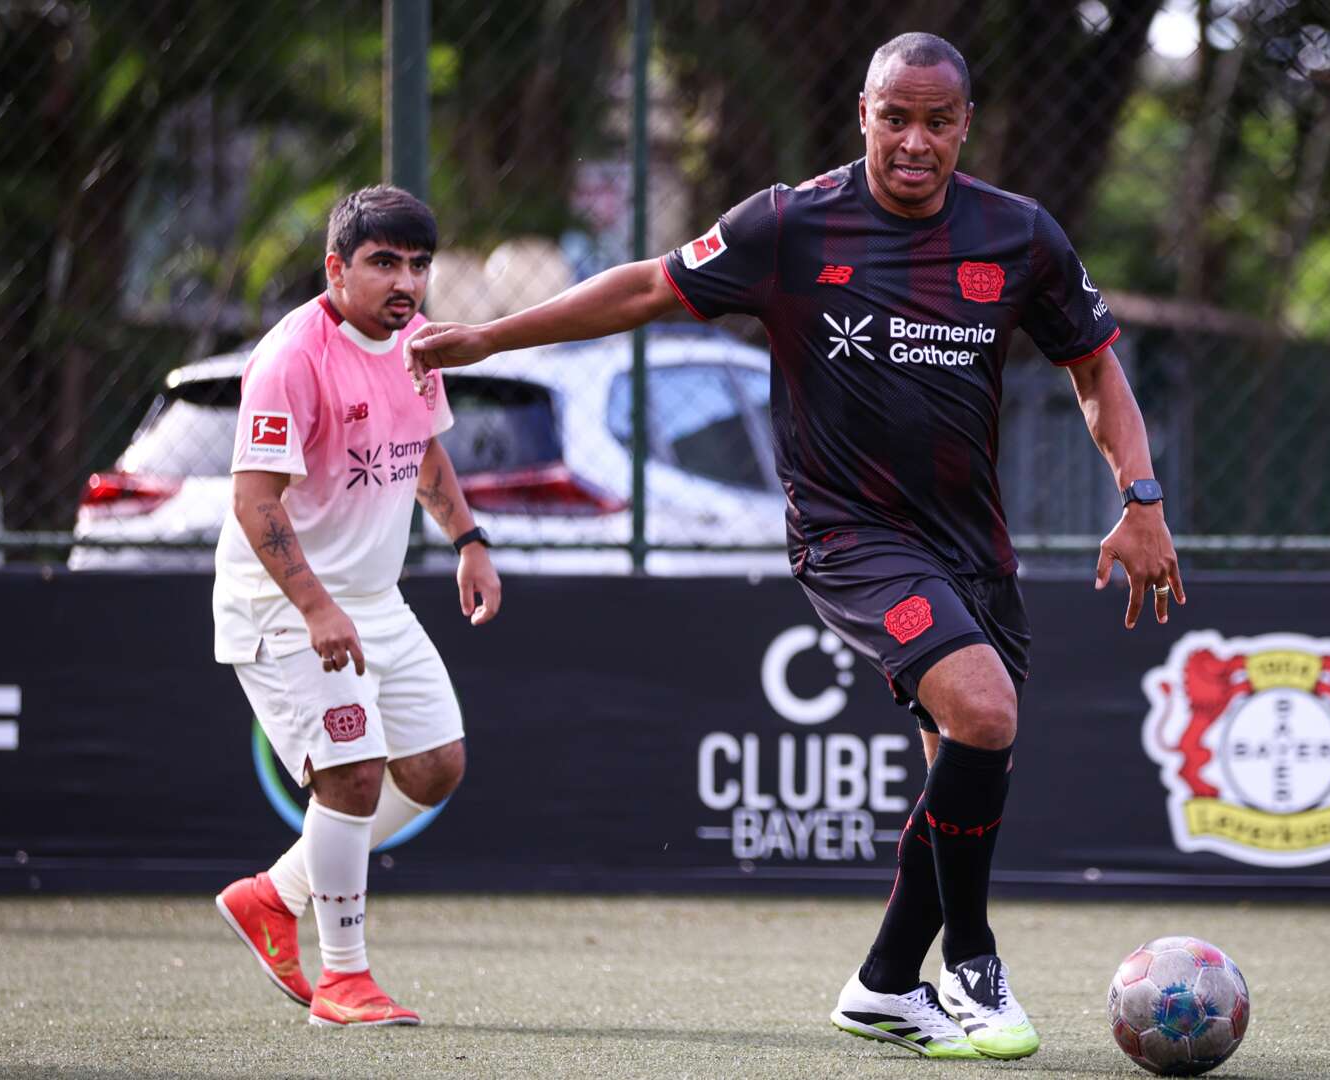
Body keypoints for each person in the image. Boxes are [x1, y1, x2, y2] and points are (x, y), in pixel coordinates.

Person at [407, 32, 1179, 1060]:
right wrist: (491, 336)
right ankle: (976, 963)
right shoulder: (790, 223)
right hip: (849, 535)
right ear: (862, 113)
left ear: (964, 127)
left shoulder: (1019, 236)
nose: (914, 141)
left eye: (936, 122)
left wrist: (1142, 499)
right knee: (985, 710)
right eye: (894, 117)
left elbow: (1094, 369)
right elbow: (644, 287)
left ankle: (884, 984)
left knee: (965, 756)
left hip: (971, 547)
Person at [211, 185, 502, 1028]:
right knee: (351, 772)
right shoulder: (290, 358)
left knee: (435, 764)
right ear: (337, 269)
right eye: (383, 263)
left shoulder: (416, 341)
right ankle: (343, 979)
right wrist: (314, 608)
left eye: (418, 264)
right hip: (282, 606)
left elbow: (425, 450)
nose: (405, 281)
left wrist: (469, 540)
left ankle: (275, 895)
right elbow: (255, 503)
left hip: (373, 599)